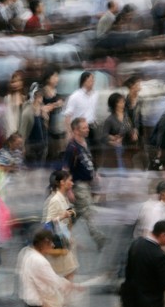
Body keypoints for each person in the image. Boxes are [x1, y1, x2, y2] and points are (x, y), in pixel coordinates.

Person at [18, 229, 79, 307]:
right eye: (51, 242)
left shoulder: (28, 254)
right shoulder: (40, 261)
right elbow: (52, 280)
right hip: (37, 303)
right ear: (45, 242)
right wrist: (69, 285)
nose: (53, 245)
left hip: (32, 301)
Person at [63, 117, 106, 251]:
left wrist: (94, 174)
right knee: (87, 211)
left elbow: (87, 161)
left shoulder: (84, 143)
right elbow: (65, 170)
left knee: (77, 213)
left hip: (87, 184)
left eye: (87, 127)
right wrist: (69, 190)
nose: (87, 129)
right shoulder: (72, 148)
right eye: (84, 128)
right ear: (76, 130)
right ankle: (99, 238)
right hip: (78, 185)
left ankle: (61, 234)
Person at [42, 170, 78, 279]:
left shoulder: (64, 198)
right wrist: (63, 216)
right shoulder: (54, 200)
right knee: (67, 274)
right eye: (70, 180)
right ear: (62, 182)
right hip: (59, 242)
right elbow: (47, 223)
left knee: (68, 273)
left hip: (66, 241)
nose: (72, 183)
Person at [100, 92, 137, 169]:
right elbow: (103, 137)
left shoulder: (127, 115)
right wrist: (113, 140)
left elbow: (132, 127)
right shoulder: (110, 120)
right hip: (117, 152)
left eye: (123, 101)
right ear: (115, 104)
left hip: (129, 149)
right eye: (120, 102)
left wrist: (134, 133)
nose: (123, 103)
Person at [63, 72, 98, 143]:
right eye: (90, 80)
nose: (92, 83)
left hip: (92, 127)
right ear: (84, 82)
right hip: (80, 129)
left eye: (93, 80)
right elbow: (68, 116)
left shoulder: (95, 94)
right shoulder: (75, 96)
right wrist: (70, 132)